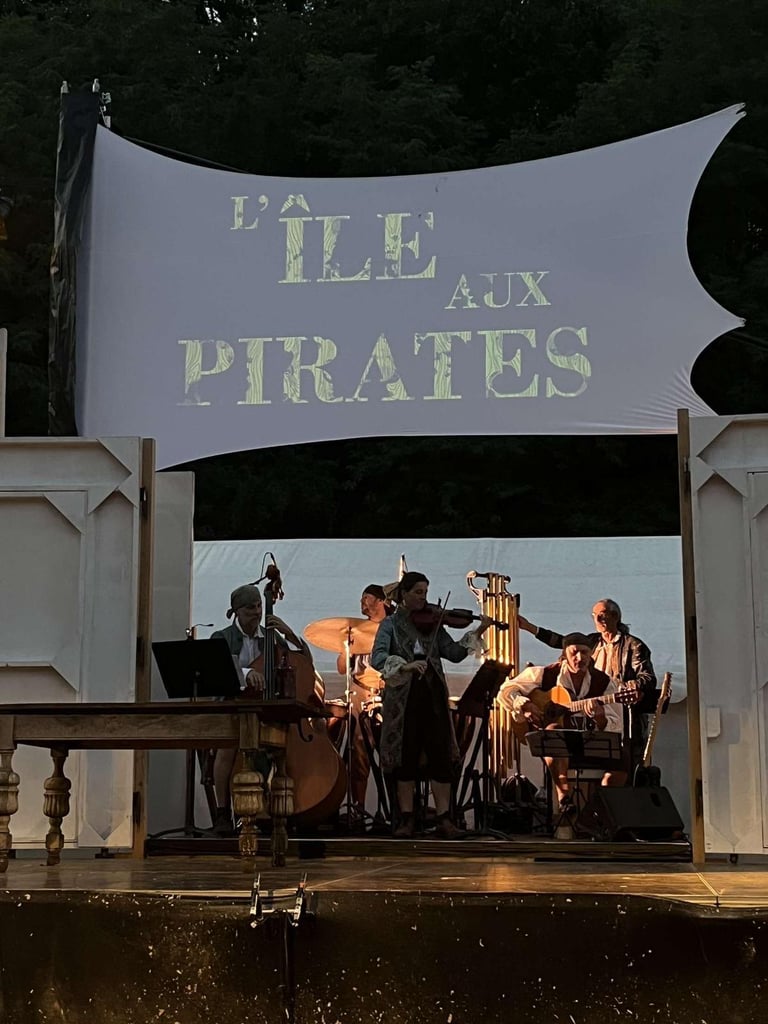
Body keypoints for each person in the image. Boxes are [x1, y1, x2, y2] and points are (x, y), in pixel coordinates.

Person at [370, 571, 492, 839]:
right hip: (404, 700)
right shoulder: (390, 624)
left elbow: (454, 654)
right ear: (403, 594)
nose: (423, 598)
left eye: (425, 592)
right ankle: (406, 818)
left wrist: (479, 629)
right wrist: (406, 665)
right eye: (417, 592)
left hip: (433, 697)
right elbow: (377, 657)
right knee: (405, 758)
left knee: (440, 756)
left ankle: (444, 819)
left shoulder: (434, 624)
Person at [209, 583, 310, 835]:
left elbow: (302, 662)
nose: (256, 612)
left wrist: (290, 635)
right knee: (226, 748)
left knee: (280, 745)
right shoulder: (221, 637)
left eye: (258, 606)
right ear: (236, 612)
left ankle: (280, 810)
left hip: (265, 708)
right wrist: (246, 673)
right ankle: (222, 812)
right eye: (249, 608)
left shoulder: (271, 637)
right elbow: (220, 669)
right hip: (233, 705)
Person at [517, 598, 656, 773]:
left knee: (624, 760)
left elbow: (648, 678)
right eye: (595, 615)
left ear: (615, 616)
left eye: (602, 615)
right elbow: (563, 642)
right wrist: (530, 628)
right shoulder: (592, 641)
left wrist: (632, 684)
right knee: (559, 739)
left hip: (621, 709)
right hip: (589, 710)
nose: (598, 619)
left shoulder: (634, 646)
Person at [497, 633, 625, 820]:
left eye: (584, 652)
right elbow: (505, 690)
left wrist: (600, 719)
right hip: (554, 746)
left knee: (623, 761)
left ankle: (592, 814)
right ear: (565, 654)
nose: (580, 657)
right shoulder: (546, 674)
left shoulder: (604, 683)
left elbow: (617, 725)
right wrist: (526, 705)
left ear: (591, 655)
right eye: (574, 652)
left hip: (589, 743)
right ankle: (564, 795)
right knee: (553, 733)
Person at [334, 584, 391, 825]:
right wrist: (345, 647)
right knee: (358, 754)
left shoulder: (393, 628)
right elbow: (341, 669)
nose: (362, 603)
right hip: (359, 693)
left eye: (366, 598)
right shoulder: (356, 630)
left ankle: (394, 811)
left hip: (387, 694)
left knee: (391, 754)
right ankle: (357, 809)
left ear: (381, 601)